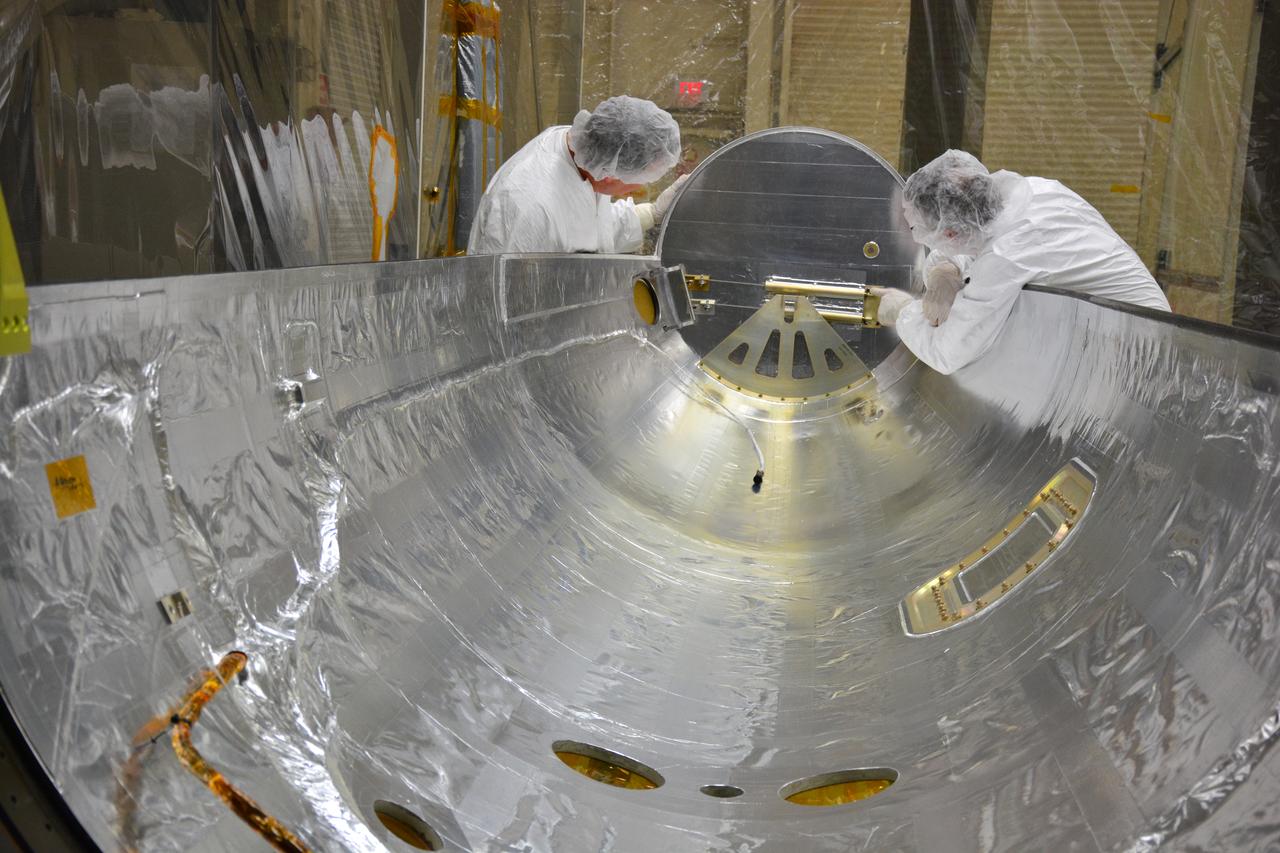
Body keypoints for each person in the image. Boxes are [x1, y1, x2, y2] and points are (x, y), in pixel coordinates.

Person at [872, 150, 1171, 375]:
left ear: (948, 232)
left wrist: (903, 312)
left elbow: (949, 353)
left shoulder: (1006, 257)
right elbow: (977, 234)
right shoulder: (1035, 191)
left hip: (1139, 355)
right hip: (1145, 328)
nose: (919, 236)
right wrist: (944, 270)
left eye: (918, 230)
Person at [467, 96, 687, 255]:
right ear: (609, 174)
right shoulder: (530, 207)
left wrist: (652, 213)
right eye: (638, 183)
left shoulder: (588, 147)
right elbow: (504, 299)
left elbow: (585, 227)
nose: (636, 190)